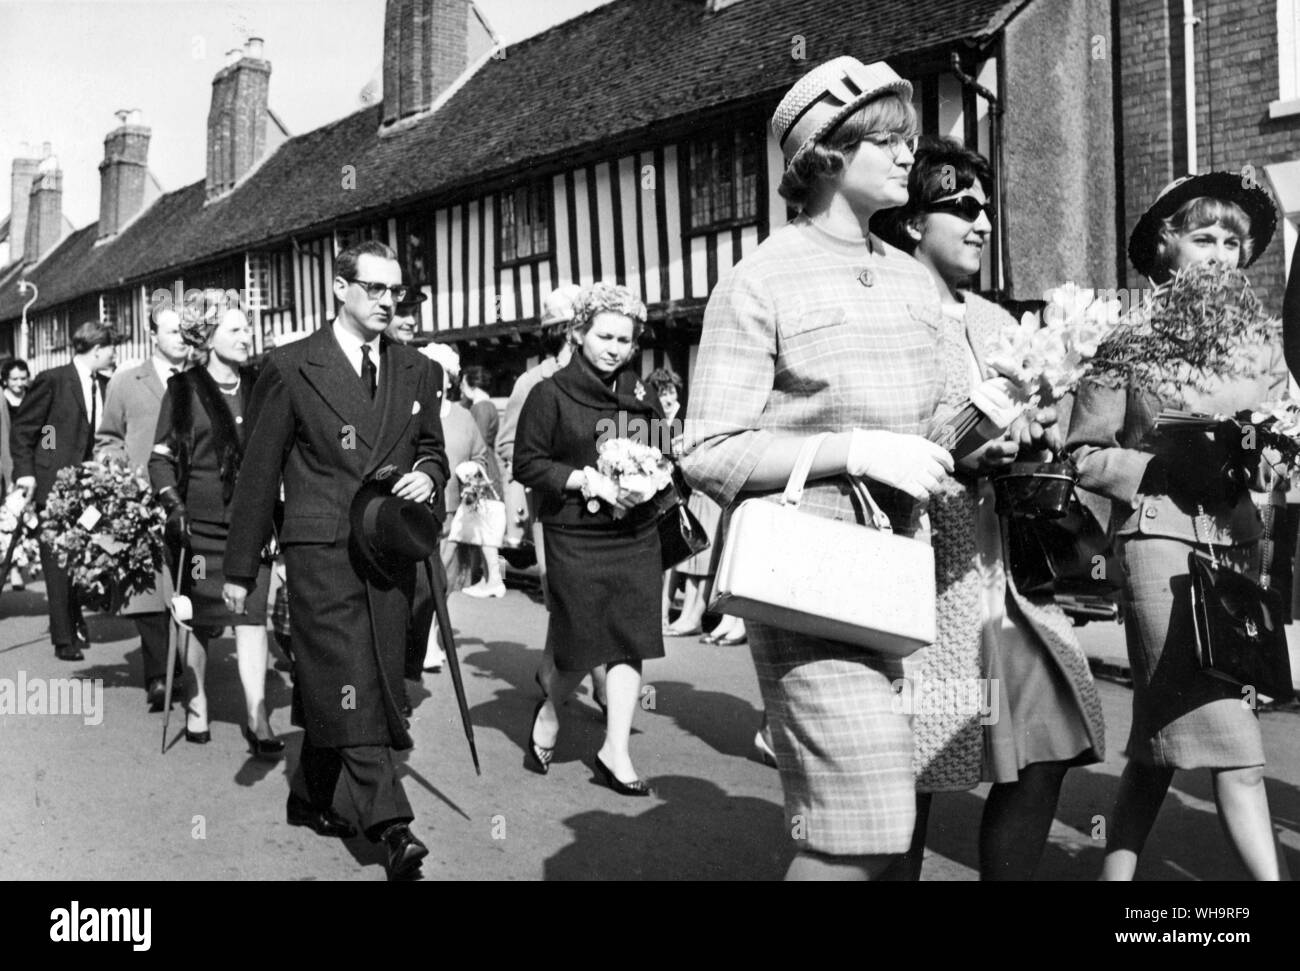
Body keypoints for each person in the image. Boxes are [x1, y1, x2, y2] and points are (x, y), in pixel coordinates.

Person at [679, 57, 958, 880]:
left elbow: (935, 430)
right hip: (807, 579)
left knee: (889, 813)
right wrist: (854, 450)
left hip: (904, 580)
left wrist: (1003, 415)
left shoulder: (914, 279)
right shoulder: (758, 280)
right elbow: (708, 448)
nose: (911, 155)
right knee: (858, 818)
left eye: (909, 139)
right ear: (826, 155)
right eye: (889, 140)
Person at [874, 137, 1106, 880]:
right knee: (911, 770)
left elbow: (1024, 426)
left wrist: (1037, 434)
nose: (981, 223)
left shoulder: (993, 319)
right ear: (912, 221)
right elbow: (870, 430)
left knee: (1050, 738)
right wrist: (958, 456)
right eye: (962, 208)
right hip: (920, 574)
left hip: (1003, 574)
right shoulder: (884, 309)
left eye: (986, 208)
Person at [1067, 172, 1290, 880]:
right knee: (1235, 742)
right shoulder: (1127, 339)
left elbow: (1279, 452)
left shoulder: (1261, 347)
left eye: (1233, 240)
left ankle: (1119, 880)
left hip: (1236, 549)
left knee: (1160, 740)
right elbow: (1083, 454)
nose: (1221, 253)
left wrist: (1271, 453)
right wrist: (1158, 468)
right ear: (1167, 250)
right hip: (1158, 544)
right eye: (1203, 238)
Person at [222, 241, 449, 881]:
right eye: (372, 288)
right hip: (322, 550)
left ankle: (311, 793)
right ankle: (392, 825)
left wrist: (429, 478)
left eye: (394, 291)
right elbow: (258, 475)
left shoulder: (417, 370)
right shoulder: (293, 368)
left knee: (364, 669)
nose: (385, 301)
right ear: (339, 288)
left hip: (388, 549)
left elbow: (433, 449)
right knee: (352, 668)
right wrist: (240, 572)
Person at [514, 282, 665, 796]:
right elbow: (529, 463)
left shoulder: (638, 396)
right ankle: (552, 710)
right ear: (579, 333)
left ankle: (615, 750)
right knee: (579, 645)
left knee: (629, 641)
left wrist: (650, 475)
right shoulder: (548, 394)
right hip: (575, 534)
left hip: (635, 533)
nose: (615, 348)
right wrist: (587, 479)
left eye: (625, 340)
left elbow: (663, 452)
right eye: (604, 336)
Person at [148, 302, 283, 754]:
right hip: (199, 529)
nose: (247, 336)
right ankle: (197, 700)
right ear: (207, 338)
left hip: (253, 527)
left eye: (249, 328)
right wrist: (173, 505)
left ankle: (257, 715)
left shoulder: (261, 388)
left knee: (251, 619)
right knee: (201, 621)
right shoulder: (183, 390)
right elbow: (161, 458)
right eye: (236, 329)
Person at [497, 285, 608, 711]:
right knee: (576, 596)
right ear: (570, 332)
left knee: (572, 596)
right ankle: (600, 683)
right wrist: (518, 503)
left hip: (603, 511)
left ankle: (548, 668)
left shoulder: (604, 380)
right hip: (555, 508)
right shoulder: (533, 382)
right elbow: (509, 447)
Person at [96, 307, 191, 711]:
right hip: (144, 500)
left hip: (194, 498)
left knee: (189, 585)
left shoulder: (204, 379)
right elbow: (108, 439)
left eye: (186, 331)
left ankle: (185, 664)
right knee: (150, 590)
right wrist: (120, 480)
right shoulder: (126, 381)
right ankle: (159, 676)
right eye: (172, 331)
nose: (181, 338)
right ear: (153, 335)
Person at [10, 323, 117, 661]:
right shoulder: (54, 380)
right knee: (57, 560)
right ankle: (63, 637)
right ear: (97, 349)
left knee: (84, 550)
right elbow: (27, 431)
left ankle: (75, 615)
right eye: (111, 348)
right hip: (54, 487)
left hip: (91, 491)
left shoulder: (106, 384)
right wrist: (26, 474)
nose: (114, 354)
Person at [416, 340, 492, 672]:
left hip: (452, 511)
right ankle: (417, 640)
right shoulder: (412, 412)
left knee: (442, 581)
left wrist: (473, 471)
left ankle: (431, 639)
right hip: (415, 512)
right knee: (418, 582)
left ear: (450, 379)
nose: (435, 380)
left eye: (441, 374)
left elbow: (481, 457)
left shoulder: (463, 417)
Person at [458, 365, 506, 598]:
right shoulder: (490, 407)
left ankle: (494, 579)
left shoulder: (479, 409)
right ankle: (490, 578)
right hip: (490, 467)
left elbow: (474, 442)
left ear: (469, 385)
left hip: (481, 471)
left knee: (485, 526)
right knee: (487, 525)